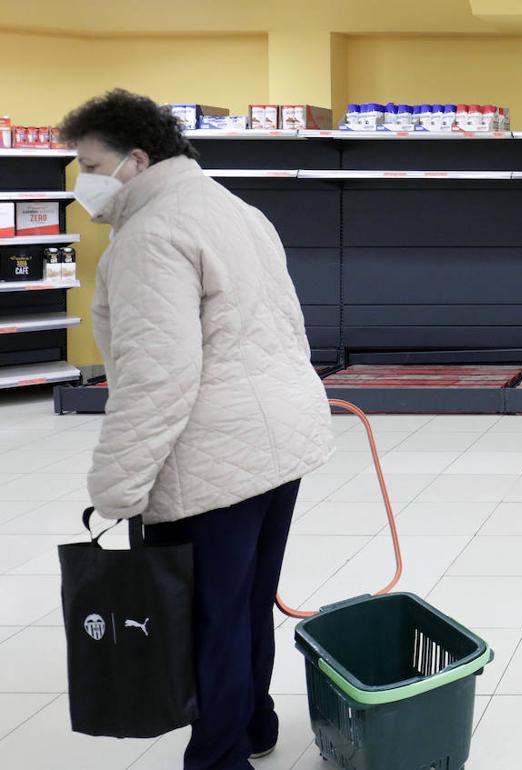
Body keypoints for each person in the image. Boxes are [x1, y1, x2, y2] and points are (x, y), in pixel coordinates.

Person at [60, 90, 333, 770]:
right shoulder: (234, 210)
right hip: (276, 443)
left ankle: (219, 758)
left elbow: (158, 379)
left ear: (137, 159)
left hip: (210, 457)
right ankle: (255, 721)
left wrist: (117, 486)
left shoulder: (152, 237)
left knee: (207, 617)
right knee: (242, 602)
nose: (80, 182)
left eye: (89, 163)